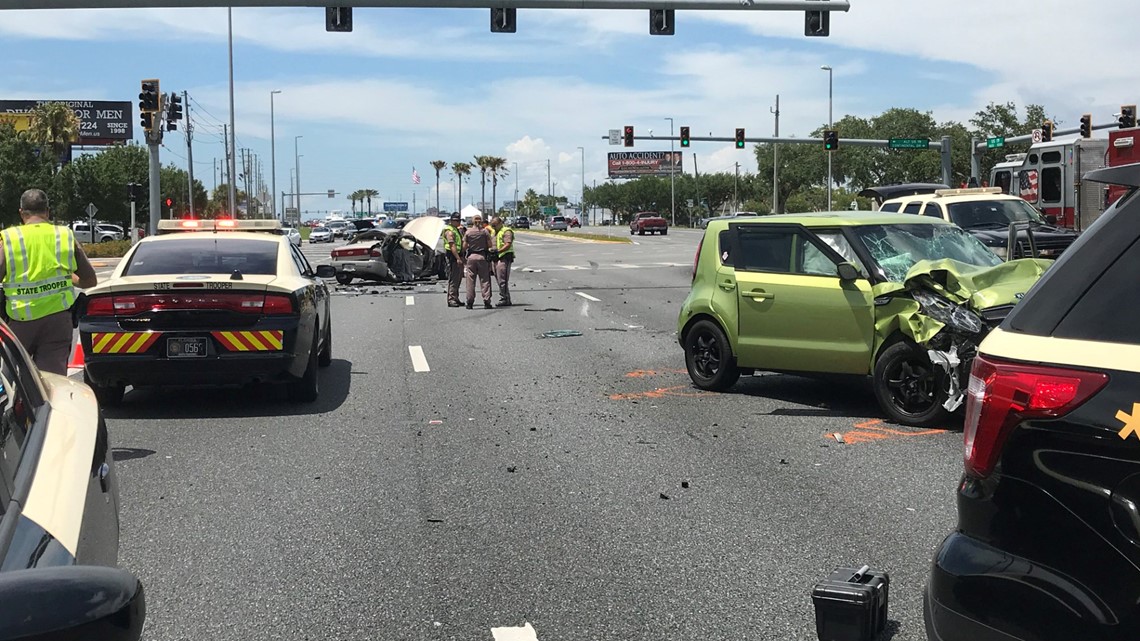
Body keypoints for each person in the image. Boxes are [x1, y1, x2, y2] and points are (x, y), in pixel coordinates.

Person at [0, 189, 97, 375]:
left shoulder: (11, 239)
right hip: (58, 322)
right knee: (53, 382)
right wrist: (64, 276)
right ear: (47, 211)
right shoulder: (64, 235)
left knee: (13, 380)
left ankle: (16, 403)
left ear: (22, 212)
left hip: (21, 321)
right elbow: (89, 280)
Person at [462, 214, 493, 310]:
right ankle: (487, 301)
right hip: (482, 257)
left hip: (471, 257)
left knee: (470, 280)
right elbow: (490, 244)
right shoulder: (485, 232)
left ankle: (470, 301)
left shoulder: (468, 232)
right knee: (485, 280)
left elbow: (464, 246)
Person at [489, 216, 514, 307]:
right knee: (498, 278)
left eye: (495, 225)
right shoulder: (493, 232)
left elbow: (508, 244)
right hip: (495, 258)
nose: (493, 227)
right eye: (492, 225)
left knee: (502, 279)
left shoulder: (506, 231)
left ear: (500, 223)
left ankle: (505, 298)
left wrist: (498, 251)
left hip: (504, 257)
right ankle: (505, 297)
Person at [443, 213, 464, 307]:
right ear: (451, 221)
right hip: (453, 256)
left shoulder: (457, 230)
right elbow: (452, 245)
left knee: (458, 278)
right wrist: (458, 258)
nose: (458, 222)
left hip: (458, 255)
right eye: (456, 220)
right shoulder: (449, 231)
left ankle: (455, 297)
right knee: (454, 278)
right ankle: (451, 299)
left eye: (459, 220)